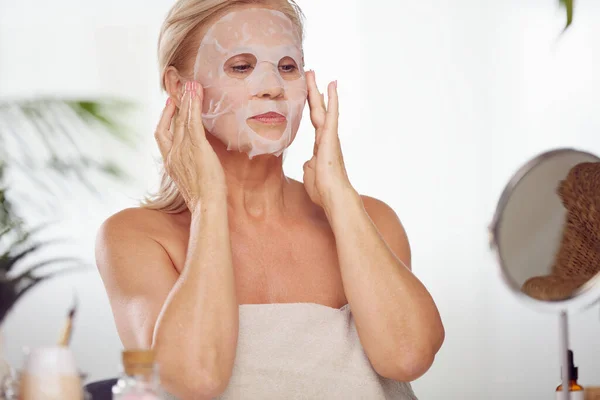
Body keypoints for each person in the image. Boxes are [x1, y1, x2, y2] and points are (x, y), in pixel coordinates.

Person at [95, 0, 445, 398]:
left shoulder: (371, 219)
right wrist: (208, 202)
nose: (273, 87)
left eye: (287, 67)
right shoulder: (136, 237)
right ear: (178, 87)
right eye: (242, 67)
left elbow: (408, 356)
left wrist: (341, 199)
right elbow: (195, 380)